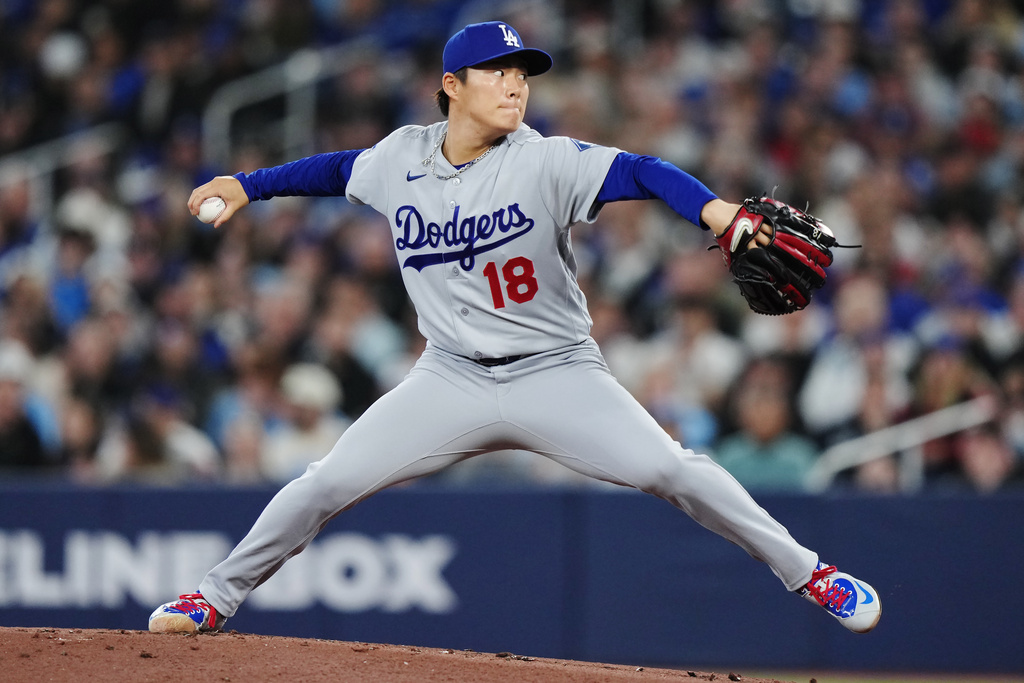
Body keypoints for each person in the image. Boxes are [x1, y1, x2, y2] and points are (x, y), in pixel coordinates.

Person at [149, 21, 880, 636]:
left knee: (669, 469)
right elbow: (336, 168)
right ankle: (213, 596)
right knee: (326, 481)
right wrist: (247, 185)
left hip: (557, 371)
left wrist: (717, 214)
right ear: (451, 86)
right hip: (450, 376)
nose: (514, 85)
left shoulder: (546, 161)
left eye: (522, 73)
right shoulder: (400, 158)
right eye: (494, 71)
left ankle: (811, 573)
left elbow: (644, 170)